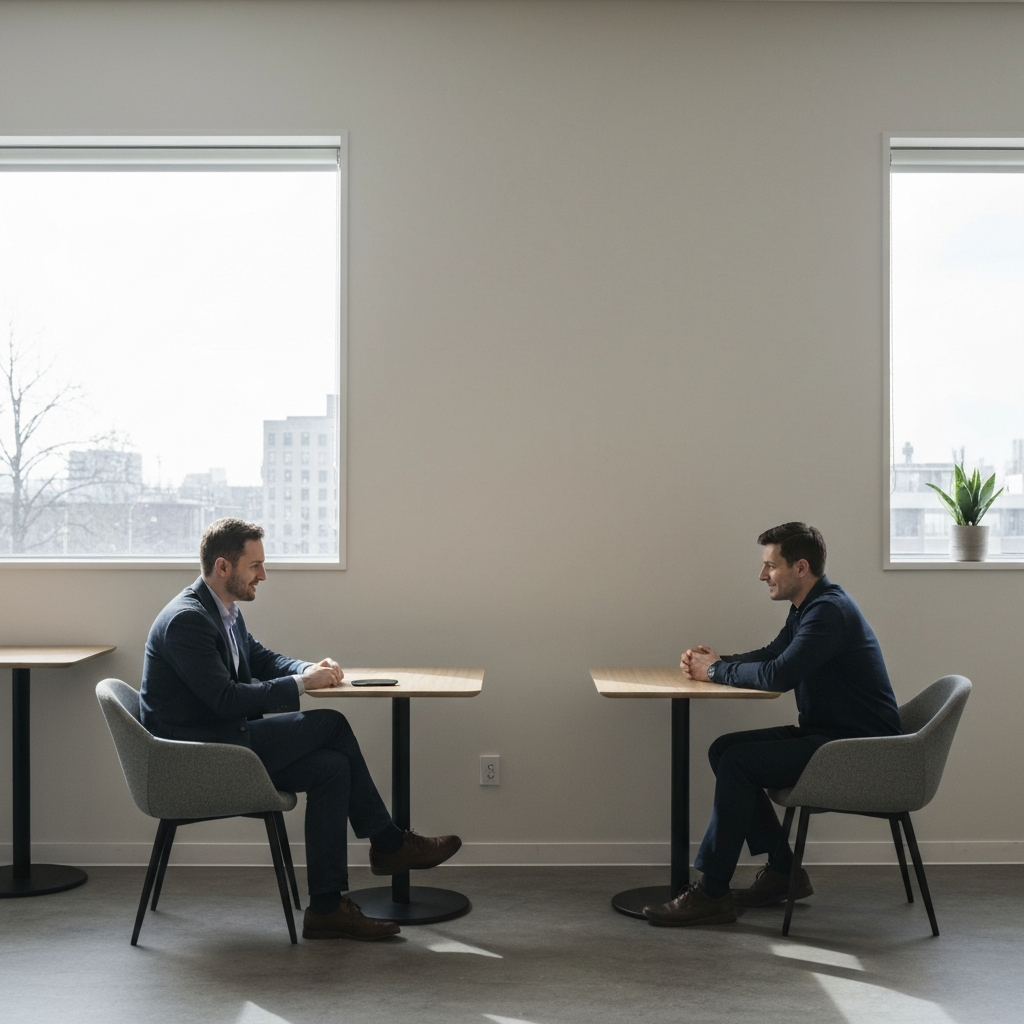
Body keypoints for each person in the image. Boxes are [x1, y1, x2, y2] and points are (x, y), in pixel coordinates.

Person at [140, 517, 462, 941]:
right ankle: (388, 843)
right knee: (330, 723)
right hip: (199, 758)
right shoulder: (187, 621)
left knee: (331, 767)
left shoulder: (223, 611)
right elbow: (224, 699)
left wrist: (307, 669)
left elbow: (262, 658)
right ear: (223, 567)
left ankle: (327, 909)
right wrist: (300, 686)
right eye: (254, 565)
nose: (263, 575)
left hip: (226, 742)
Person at [643, 522, 901, 926]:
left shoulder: (828, 612)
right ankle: (784, 872)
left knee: (738, 762)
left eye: (770, 566)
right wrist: (716, 664)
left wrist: (715, 672)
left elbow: (778, 677)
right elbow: (772, 654)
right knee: (724, 750)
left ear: (800, 567)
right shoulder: (809, 607)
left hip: (859, 748)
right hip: (830, 736)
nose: (762, 575)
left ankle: (712, 892)